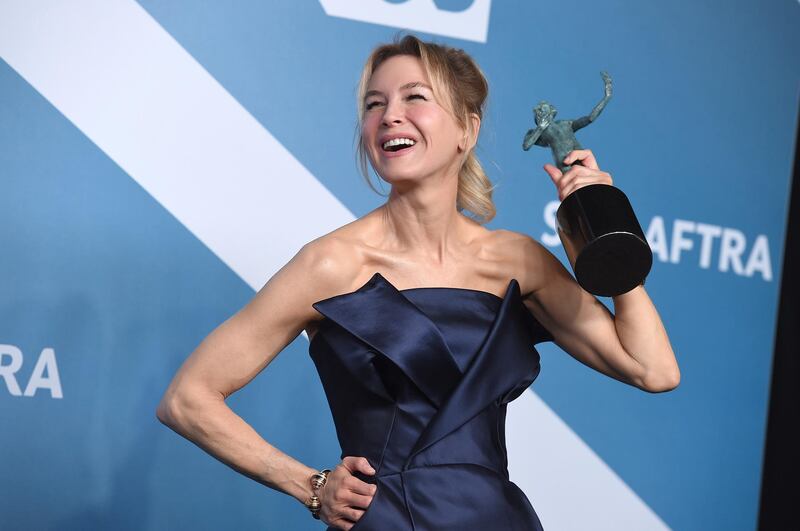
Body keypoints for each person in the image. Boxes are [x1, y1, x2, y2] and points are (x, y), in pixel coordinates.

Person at [156, 35, 679, 530]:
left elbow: (652, 369)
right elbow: (187, 398)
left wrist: (605, 235)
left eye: (415, 97)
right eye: (374, 104)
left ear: (466, 131)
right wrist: (310, 486)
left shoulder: (518, 260)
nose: (390, 116)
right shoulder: (331, 264)